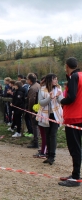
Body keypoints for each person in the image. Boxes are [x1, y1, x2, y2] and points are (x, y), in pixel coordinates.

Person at [59, 57, 82, 187]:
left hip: (74, 117)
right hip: (80, 116)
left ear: (67, 66)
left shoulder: (74, 77)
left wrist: (61, 100)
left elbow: (71, 97)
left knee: (75, 148)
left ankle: (75, 177)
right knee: (78, 147)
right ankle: (75, 174)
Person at [36, 74, 63, 165]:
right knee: (47, 135)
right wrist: (49, 98)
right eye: (54, 79)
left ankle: (52, 156)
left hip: (55, 115)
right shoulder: (42, 89)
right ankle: (48, 155)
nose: (56, 80)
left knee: (53, 134)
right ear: (50, 80)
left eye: (56, 79)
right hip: (45, 115)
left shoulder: (58, 89)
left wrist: (59, 96)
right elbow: (41, 103)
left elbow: (61, 102)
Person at [26, 73, 40, 148]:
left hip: (34, 109)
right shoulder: (38, 85)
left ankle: (35, 142)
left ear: (30, 80)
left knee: (34, 126)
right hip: (38, 108)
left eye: (27, 79)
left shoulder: (32, 88)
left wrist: (30, 110)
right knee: (37, 126)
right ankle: (36, 140)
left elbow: (31, 100)